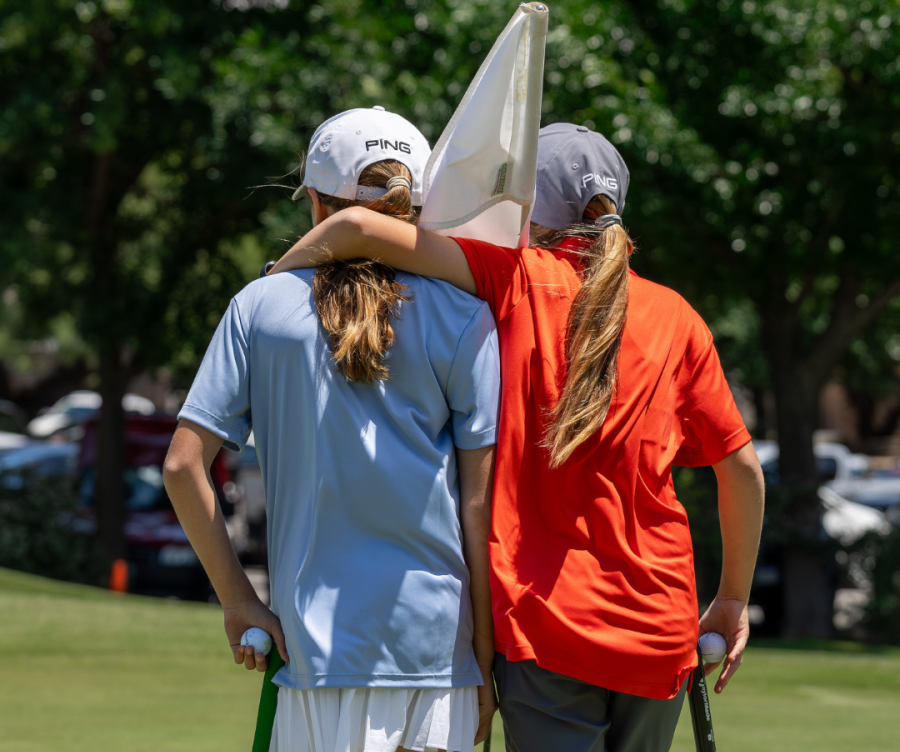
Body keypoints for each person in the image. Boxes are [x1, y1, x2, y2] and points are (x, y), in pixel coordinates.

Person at [267, 123, 766, 752]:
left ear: (529, 207)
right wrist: (733, 597)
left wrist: (270, 289)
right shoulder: (678, 316)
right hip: (658, 631)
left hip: (546, 625)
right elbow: (742, 470)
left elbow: (356, 229)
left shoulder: (517, 278)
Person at [163, 107, 501, 752]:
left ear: (315, 200)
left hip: (313, 655)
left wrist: (239, 601)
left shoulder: (258, 304)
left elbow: (183, 466)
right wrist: (483, 659)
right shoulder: (468, 316)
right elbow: (481, 510)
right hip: (437, 660)